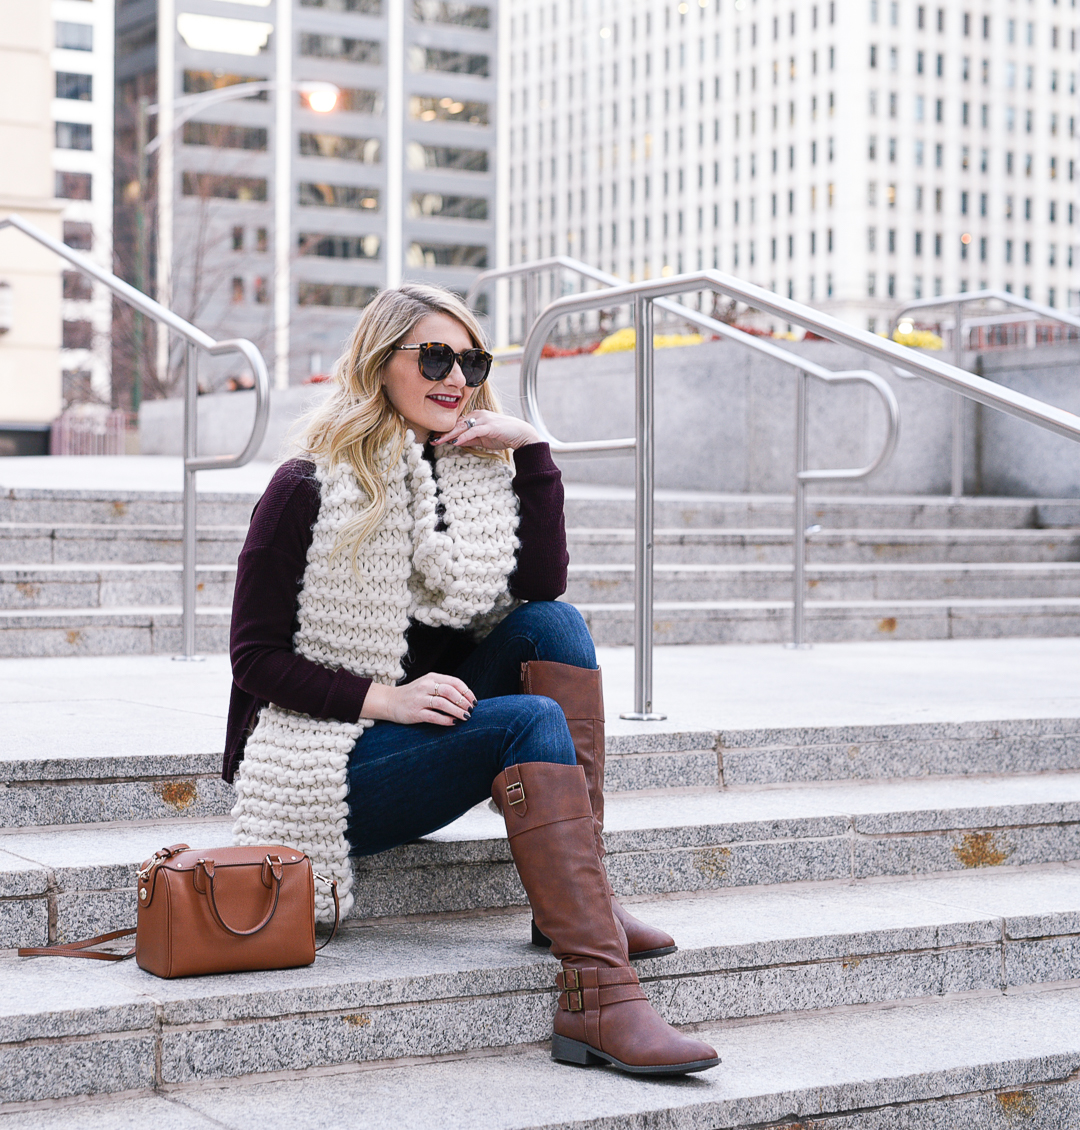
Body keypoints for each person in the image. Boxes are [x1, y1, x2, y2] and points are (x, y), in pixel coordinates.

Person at [223, 284, 719, 1076]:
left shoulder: (471, 479)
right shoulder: (304, 488)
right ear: (379, 363)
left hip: (420, 735)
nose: (455, 375)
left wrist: (531, 453)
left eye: (471, 359)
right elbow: (255, 658)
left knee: (556, 625)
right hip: (324, 764)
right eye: (433, 356)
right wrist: (383, 698)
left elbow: (543, 583)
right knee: (527, 722)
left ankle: (578, 897)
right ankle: (598, 992)